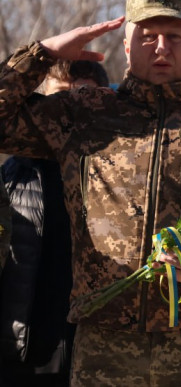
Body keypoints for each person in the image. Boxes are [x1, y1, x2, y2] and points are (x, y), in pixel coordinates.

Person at [0, 0, 181, 386]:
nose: (161, 47)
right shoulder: (85, 114)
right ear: (127, 47)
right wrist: (43, 53)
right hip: (103, 345)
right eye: (147, 36)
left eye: (174, 36)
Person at [0, 60, 109, 387]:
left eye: (83, 95)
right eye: (60, 96)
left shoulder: (119, 174)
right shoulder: (12, 175)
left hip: (96, 354)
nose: (69, 108)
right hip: (24, 352)